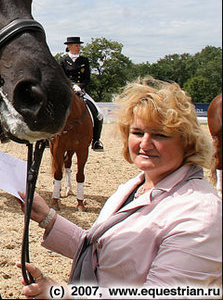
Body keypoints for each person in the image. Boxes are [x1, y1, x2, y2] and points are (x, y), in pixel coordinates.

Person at [17, 77, 221, 298]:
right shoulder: (134, 186)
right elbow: (102, 249)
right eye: (138, 133)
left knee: (96, 113)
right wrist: (47, 217)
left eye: (160, 135)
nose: (144, 144)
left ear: (187, 142)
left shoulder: (200, 213)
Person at [59, 37, 104, 151]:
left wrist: (80, 87)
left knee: (99, 114)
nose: (79, 47)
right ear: (69, 47)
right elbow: (61, 77)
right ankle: (47, 139)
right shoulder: (63, 61)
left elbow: (87, 77)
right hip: (66, 91)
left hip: (81, 91)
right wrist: (70, 85)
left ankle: (96, 141)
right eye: (76, 45)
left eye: (79, 45)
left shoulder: (84, 60)